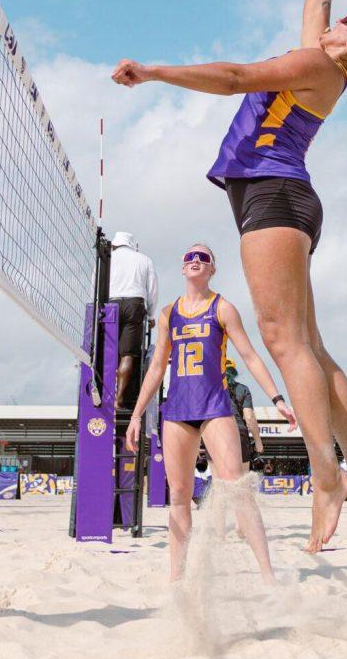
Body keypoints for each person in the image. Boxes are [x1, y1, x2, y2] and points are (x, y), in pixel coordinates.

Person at [113, 0, 347, 552]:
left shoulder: (315, 64)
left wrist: (156, 72)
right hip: (289, 198)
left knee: (285, 342)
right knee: (309, 342)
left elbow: (233, 76)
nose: (333, 20)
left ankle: (326, 471)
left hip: (273, 198)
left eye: (345, 22)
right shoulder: (326, 60)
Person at [126, 243, 296, 582]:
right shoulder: (168, 313)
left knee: (236, 487)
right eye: (189, 257)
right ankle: (177, 581)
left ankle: (268, 576)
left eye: (202, 257)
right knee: (179, 497)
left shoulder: (223, 308)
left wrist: (276, 397)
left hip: (214, 407)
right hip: (177, 410)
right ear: (182, 267)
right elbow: (157, 366)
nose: (195, 261)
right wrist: (136, 414)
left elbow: (249, 355)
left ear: (212, 269)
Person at [108, 231, 159, 408]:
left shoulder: (107, 257)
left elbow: (95, 282)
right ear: (132, 245)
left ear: (115, 244)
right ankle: (119, 398)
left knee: (108, 351)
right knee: (128, 354)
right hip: (134, 304)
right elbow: (152, 289)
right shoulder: (144, 259)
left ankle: (105, 391)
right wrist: (151, 315)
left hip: (109, 305)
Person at [224, 360, 262, 473]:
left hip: (215, 431)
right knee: (242, 477)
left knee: (218, 480)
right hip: (239, 431)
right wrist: (258, 441)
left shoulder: (212, 387)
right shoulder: (243, 389)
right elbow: (249, 417)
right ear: (234, 372)